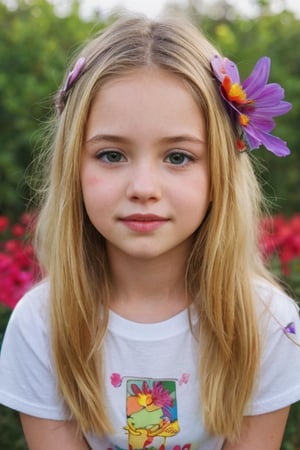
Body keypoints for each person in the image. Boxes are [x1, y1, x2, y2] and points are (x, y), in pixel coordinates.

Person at [0, 14, 300, 450]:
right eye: (111, 155)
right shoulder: (41, 324)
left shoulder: (268, 323)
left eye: (178, 157)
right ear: (73, 169)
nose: (143, 189)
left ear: (220, 172)